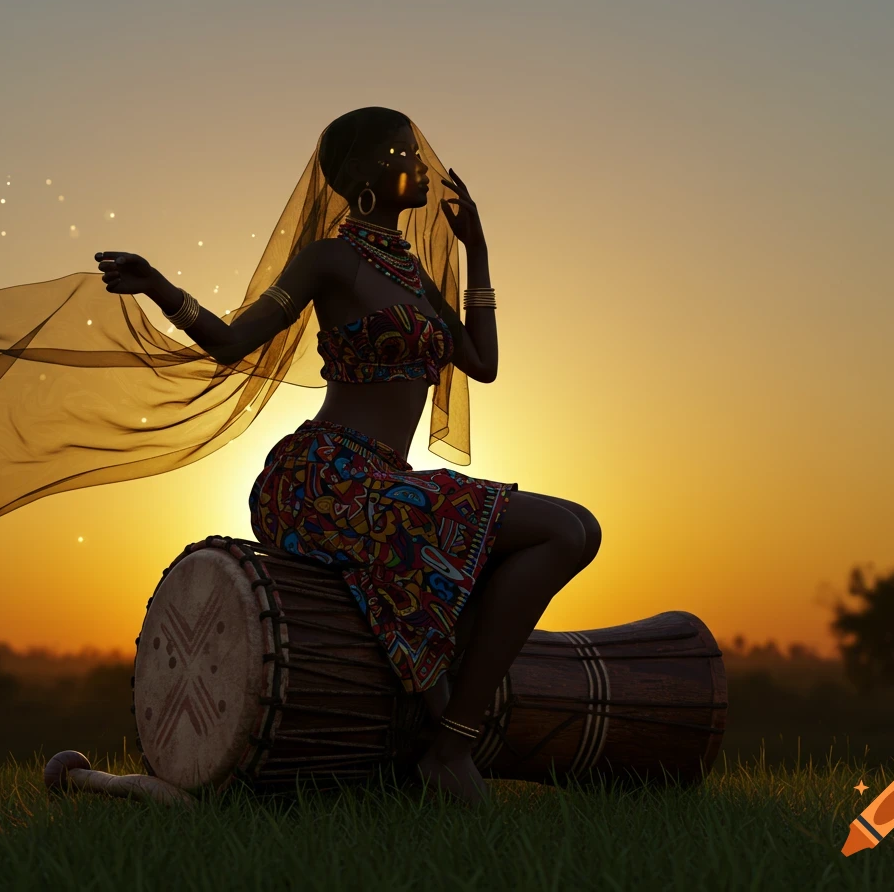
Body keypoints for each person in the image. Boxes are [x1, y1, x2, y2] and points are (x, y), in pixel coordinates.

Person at [93, 107, 602, 804]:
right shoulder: (329, 259)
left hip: (384, 482)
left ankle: (449, 737)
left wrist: (477, 252)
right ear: (365, 178)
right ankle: (453, 745)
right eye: (404, 153)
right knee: (564, 530)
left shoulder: (416, 276)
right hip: (323, 479)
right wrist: (160, 288)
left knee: (578, 528)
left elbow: (480, 363)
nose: (422, 164)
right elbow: (233, 343)